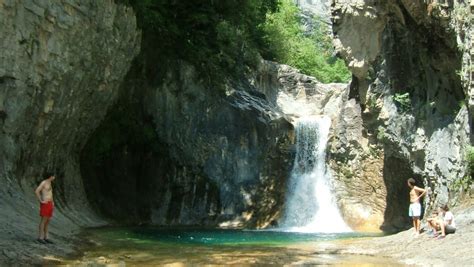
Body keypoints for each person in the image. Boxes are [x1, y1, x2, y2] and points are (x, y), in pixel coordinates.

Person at [35, 173, 56, 244]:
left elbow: (50, 193)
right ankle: (40, 237)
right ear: (51, 176)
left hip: (50, 203)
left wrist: (53, 202)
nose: (54, 177)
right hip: (45, 203)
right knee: (44, 220)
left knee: (48, 220)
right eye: (53, 176)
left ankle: (46, 237)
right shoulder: (44, 182)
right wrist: (41, 200)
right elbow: (37, 191)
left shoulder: (50, 183)